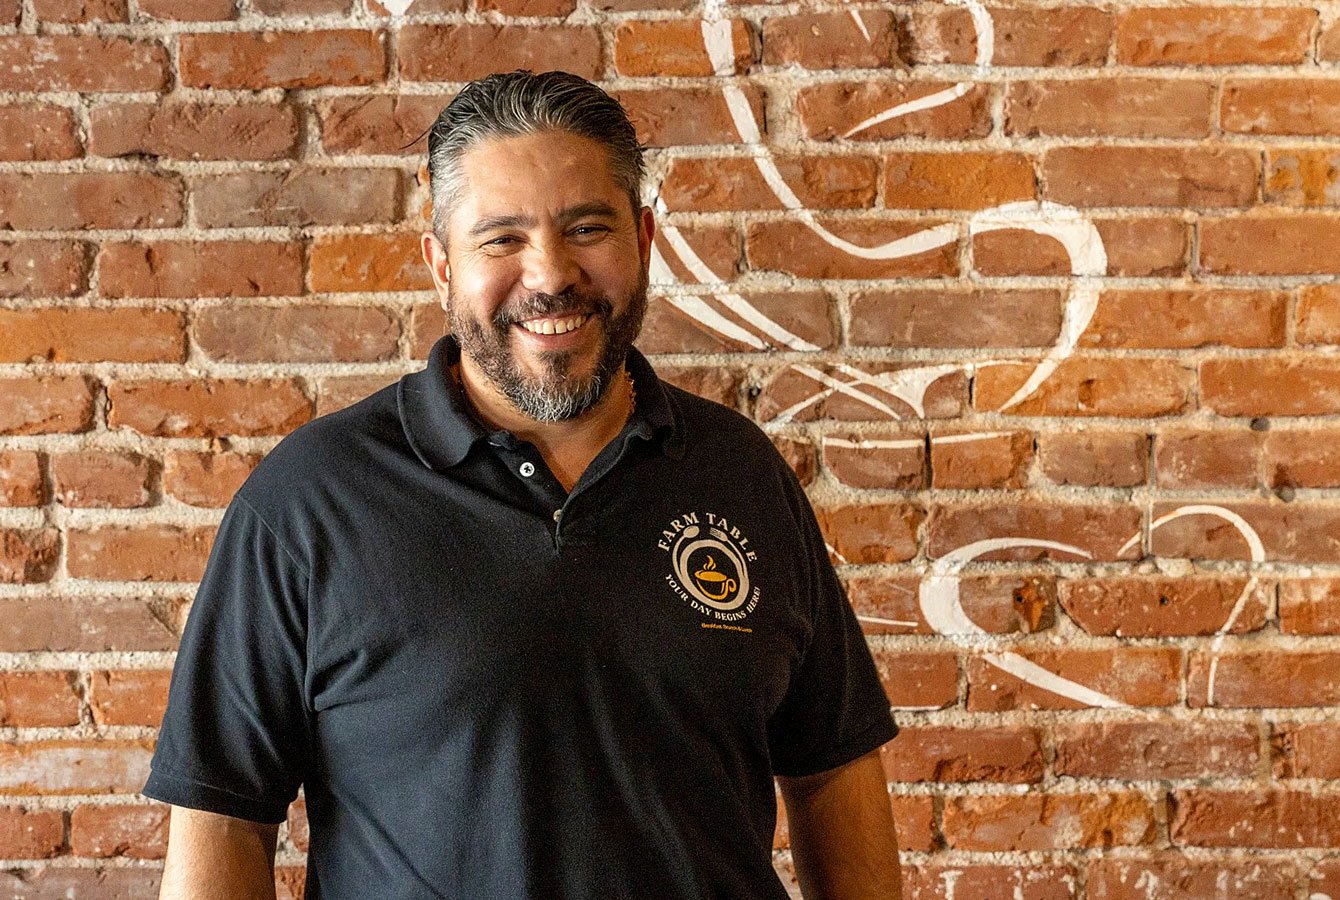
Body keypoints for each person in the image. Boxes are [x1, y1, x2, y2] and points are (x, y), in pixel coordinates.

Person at [144, 70, 902, 900]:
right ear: (441, 264)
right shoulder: (309, 503)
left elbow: (833, 769)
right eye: (501, 239)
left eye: (586, 227)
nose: (549, 275)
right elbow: (223, 818)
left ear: (644, 239)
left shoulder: (739, 471)